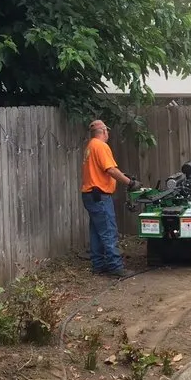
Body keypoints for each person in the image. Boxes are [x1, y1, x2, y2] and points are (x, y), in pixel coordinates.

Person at [81, 119, 139, 278]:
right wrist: (130, 183)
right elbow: (111, 170)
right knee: (108, 231)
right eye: (107, 131)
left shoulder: (90, 146)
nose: (108, 134)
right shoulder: (101, 146)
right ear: (104, 131)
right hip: (100, 196)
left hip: (90, 195)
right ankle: (116, 267)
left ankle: (98, 265)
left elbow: (103, 170)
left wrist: (123, 176)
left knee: (96, 231)